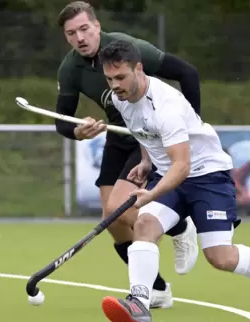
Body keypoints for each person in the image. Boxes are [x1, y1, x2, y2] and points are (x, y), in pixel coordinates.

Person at [97, 40, 250, 322]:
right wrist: (146, 161)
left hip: (207, 177)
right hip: (169, 174)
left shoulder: (167, 106)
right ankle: (139, 302)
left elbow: (182, 167)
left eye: (120, 77)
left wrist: (150, 195)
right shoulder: (120, 97)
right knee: (145, 224)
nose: (115, 84)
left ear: (138, 69)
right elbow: (144, 131)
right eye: (109, 78)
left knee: (220, 258)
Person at [55, 1, 200, 308]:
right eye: (71, 33)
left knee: (121, 207)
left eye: (84, 29)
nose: (80, 38)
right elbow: (62, 121)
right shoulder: (70, 69)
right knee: (113, 221)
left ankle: (180, 226)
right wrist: (78, 132)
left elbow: (188, 73)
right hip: (118, 138)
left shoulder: (129, 49)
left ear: (96, 26)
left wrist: (190, 126)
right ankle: (158, 289)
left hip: (146, 136)